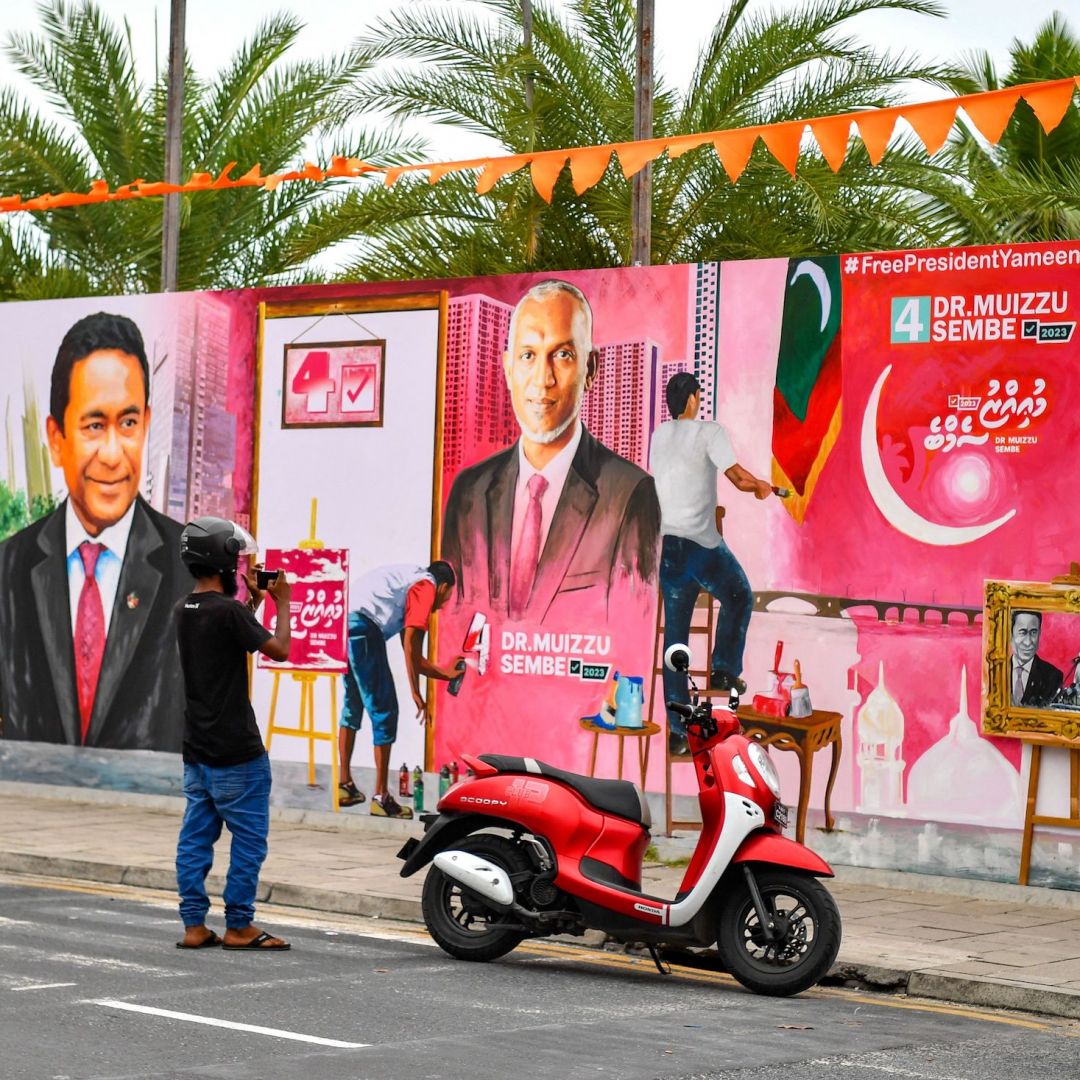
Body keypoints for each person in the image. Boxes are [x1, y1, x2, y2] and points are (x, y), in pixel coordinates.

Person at [0, 312, 188, 751]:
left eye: (127, 424)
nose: (112, 455)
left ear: (146, 423)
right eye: (93, 426)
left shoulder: (192, 571)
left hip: (151, 815)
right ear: (57, 437)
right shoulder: (8, 569)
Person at [441, 280, 659, 624]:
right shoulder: (469, 491)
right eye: (528, 356)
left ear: (590, 369)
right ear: (509, 368)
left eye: (562, 355)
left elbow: (632, 632)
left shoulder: (630, 495)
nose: (543, 379)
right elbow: (452, 626)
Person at [174, 516, 292, 951]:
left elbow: (228, 631)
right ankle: (239, 925)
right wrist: (283, 603)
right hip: (238, 755)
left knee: (195, 838)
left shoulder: (185, 609)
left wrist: (253, 606)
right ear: (225, 560)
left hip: (197, 751)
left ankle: (193, 925)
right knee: (248, 841)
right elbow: (279, 650)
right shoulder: (228, 612)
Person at [650, 372, 774, 756]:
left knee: (676, 639)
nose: (700, 400)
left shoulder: (659, 436)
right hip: (702, 544)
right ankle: (723, 668)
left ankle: (676, 730)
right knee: (739, 595)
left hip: (668, 547)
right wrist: (760, 487)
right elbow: (737, 478)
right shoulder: (709, 432)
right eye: (698, 396)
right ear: (690, 400)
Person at [338, 560, 463, 817]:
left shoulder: (409, 578)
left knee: (353, 704)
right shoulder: (426, 586)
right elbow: (411, 644)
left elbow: (415, 655)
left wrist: (443, 673)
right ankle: (381, 797)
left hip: (345, 625)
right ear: (443, 587)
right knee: (385, 710)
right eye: (447, 597)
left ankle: (344, 785)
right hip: (363, 627)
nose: (442, 605)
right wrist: (416, 692)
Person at [1011, 610, 1063, 707]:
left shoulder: (1053, 676)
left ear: (1039, 634)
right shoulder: (997, 670)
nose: (1028, 642)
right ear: (1010, 634)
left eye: (1033, 633)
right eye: (1022, 633)